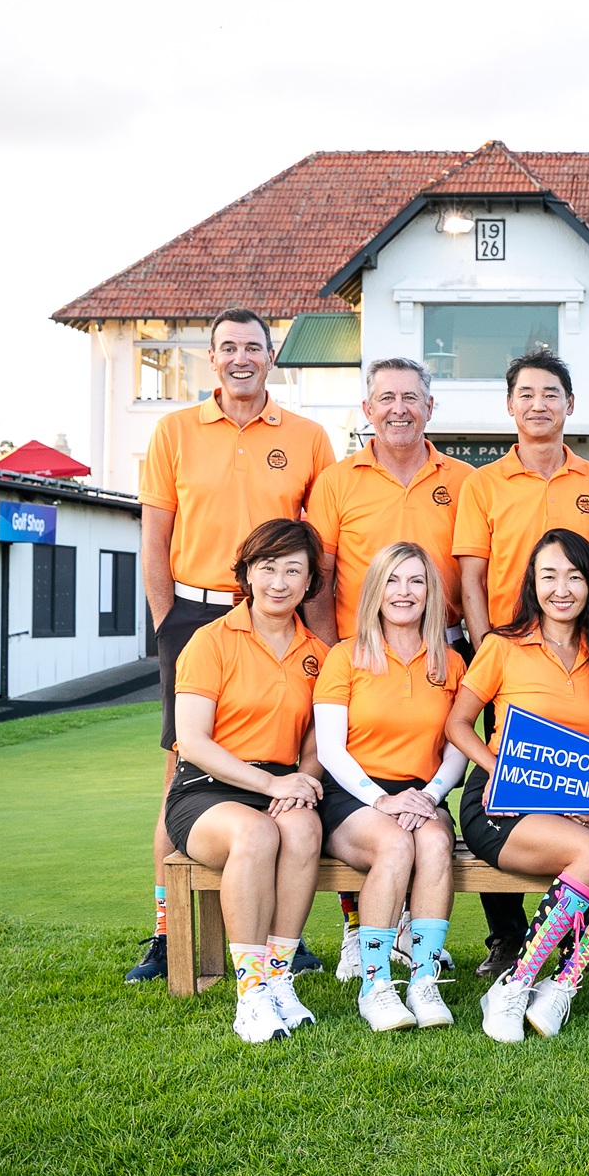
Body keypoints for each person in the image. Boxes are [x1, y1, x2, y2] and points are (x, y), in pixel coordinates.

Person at [130, 307, 336, 985]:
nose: (241, 357)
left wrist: (322, 635)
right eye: (228, 348)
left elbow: (321, 550)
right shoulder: (174, 430)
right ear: (211, 359)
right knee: (178, 772)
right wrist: (169, 623)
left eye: (254, 346)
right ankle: (166, 935)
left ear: (271, 356)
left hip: (286, 618)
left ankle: (283, 932)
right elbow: (155, 539)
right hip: (198, 614)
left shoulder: (308, 436)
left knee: (293, 761)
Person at [452, 349, 589, 980]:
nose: (538, 404)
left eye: (551, 393)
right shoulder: (483, 484)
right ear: (509, 406)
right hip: (510, 653)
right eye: (525, 394)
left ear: (570, 405)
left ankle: (577, 944)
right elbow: (471, 576)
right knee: (516, 777)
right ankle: (510, 944)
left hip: (579, 654)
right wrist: (487, 646)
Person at [304, 356, 475, 980]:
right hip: (360, 652)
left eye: (410, 396)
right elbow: (319, 575)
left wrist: (428, 797)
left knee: (422, 784)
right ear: (367, 409)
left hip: (436, 644)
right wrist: (334, 651)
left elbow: (473, 568)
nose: (398, 407)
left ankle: (412, 945)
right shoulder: (337, 478)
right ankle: (361, 932)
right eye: (385, 397)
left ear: (429, 407)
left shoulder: (462, 479)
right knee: (364, 784)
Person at [446, 529, 589, 1043]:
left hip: (574, 799)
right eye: (549, 575)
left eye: (575, 577)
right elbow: (458, 724)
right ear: (532, 584)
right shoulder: (501, 645)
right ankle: (515, 984)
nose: (562, 588)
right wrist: (496, 769)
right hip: (501, 799)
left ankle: (565, 983)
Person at [162, 518, 329, 1043]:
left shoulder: (319, 654)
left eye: (293, 571)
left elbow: (317, 743)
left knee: (304, 830)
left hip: (280, 785)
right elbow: (192, 740)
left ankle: (279, 979)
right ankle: (251, 993)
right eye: (267, 568)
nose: (279, 582)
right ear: (248, 575)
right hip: (206, 789)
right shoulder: (210, 641)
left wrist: (301, 781)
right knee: (255, 835)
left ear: (309, 584)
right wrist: (272, 788)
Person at [312, 543, 468, 1032]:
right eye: (393, 581)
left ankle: (423, 979)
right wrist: (381, 799)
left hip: (423, 793)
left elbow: (458, 746)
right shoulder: (345, 657)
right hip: (355, 795)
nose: (404, 592)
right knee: (397, 844)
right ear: (375, 590)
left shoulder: (452, 662)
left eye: (416, 581)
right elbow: (330, 751)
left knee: (438, 842)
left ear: (431, 592)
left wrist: (431, 796)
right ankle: (375, 984)